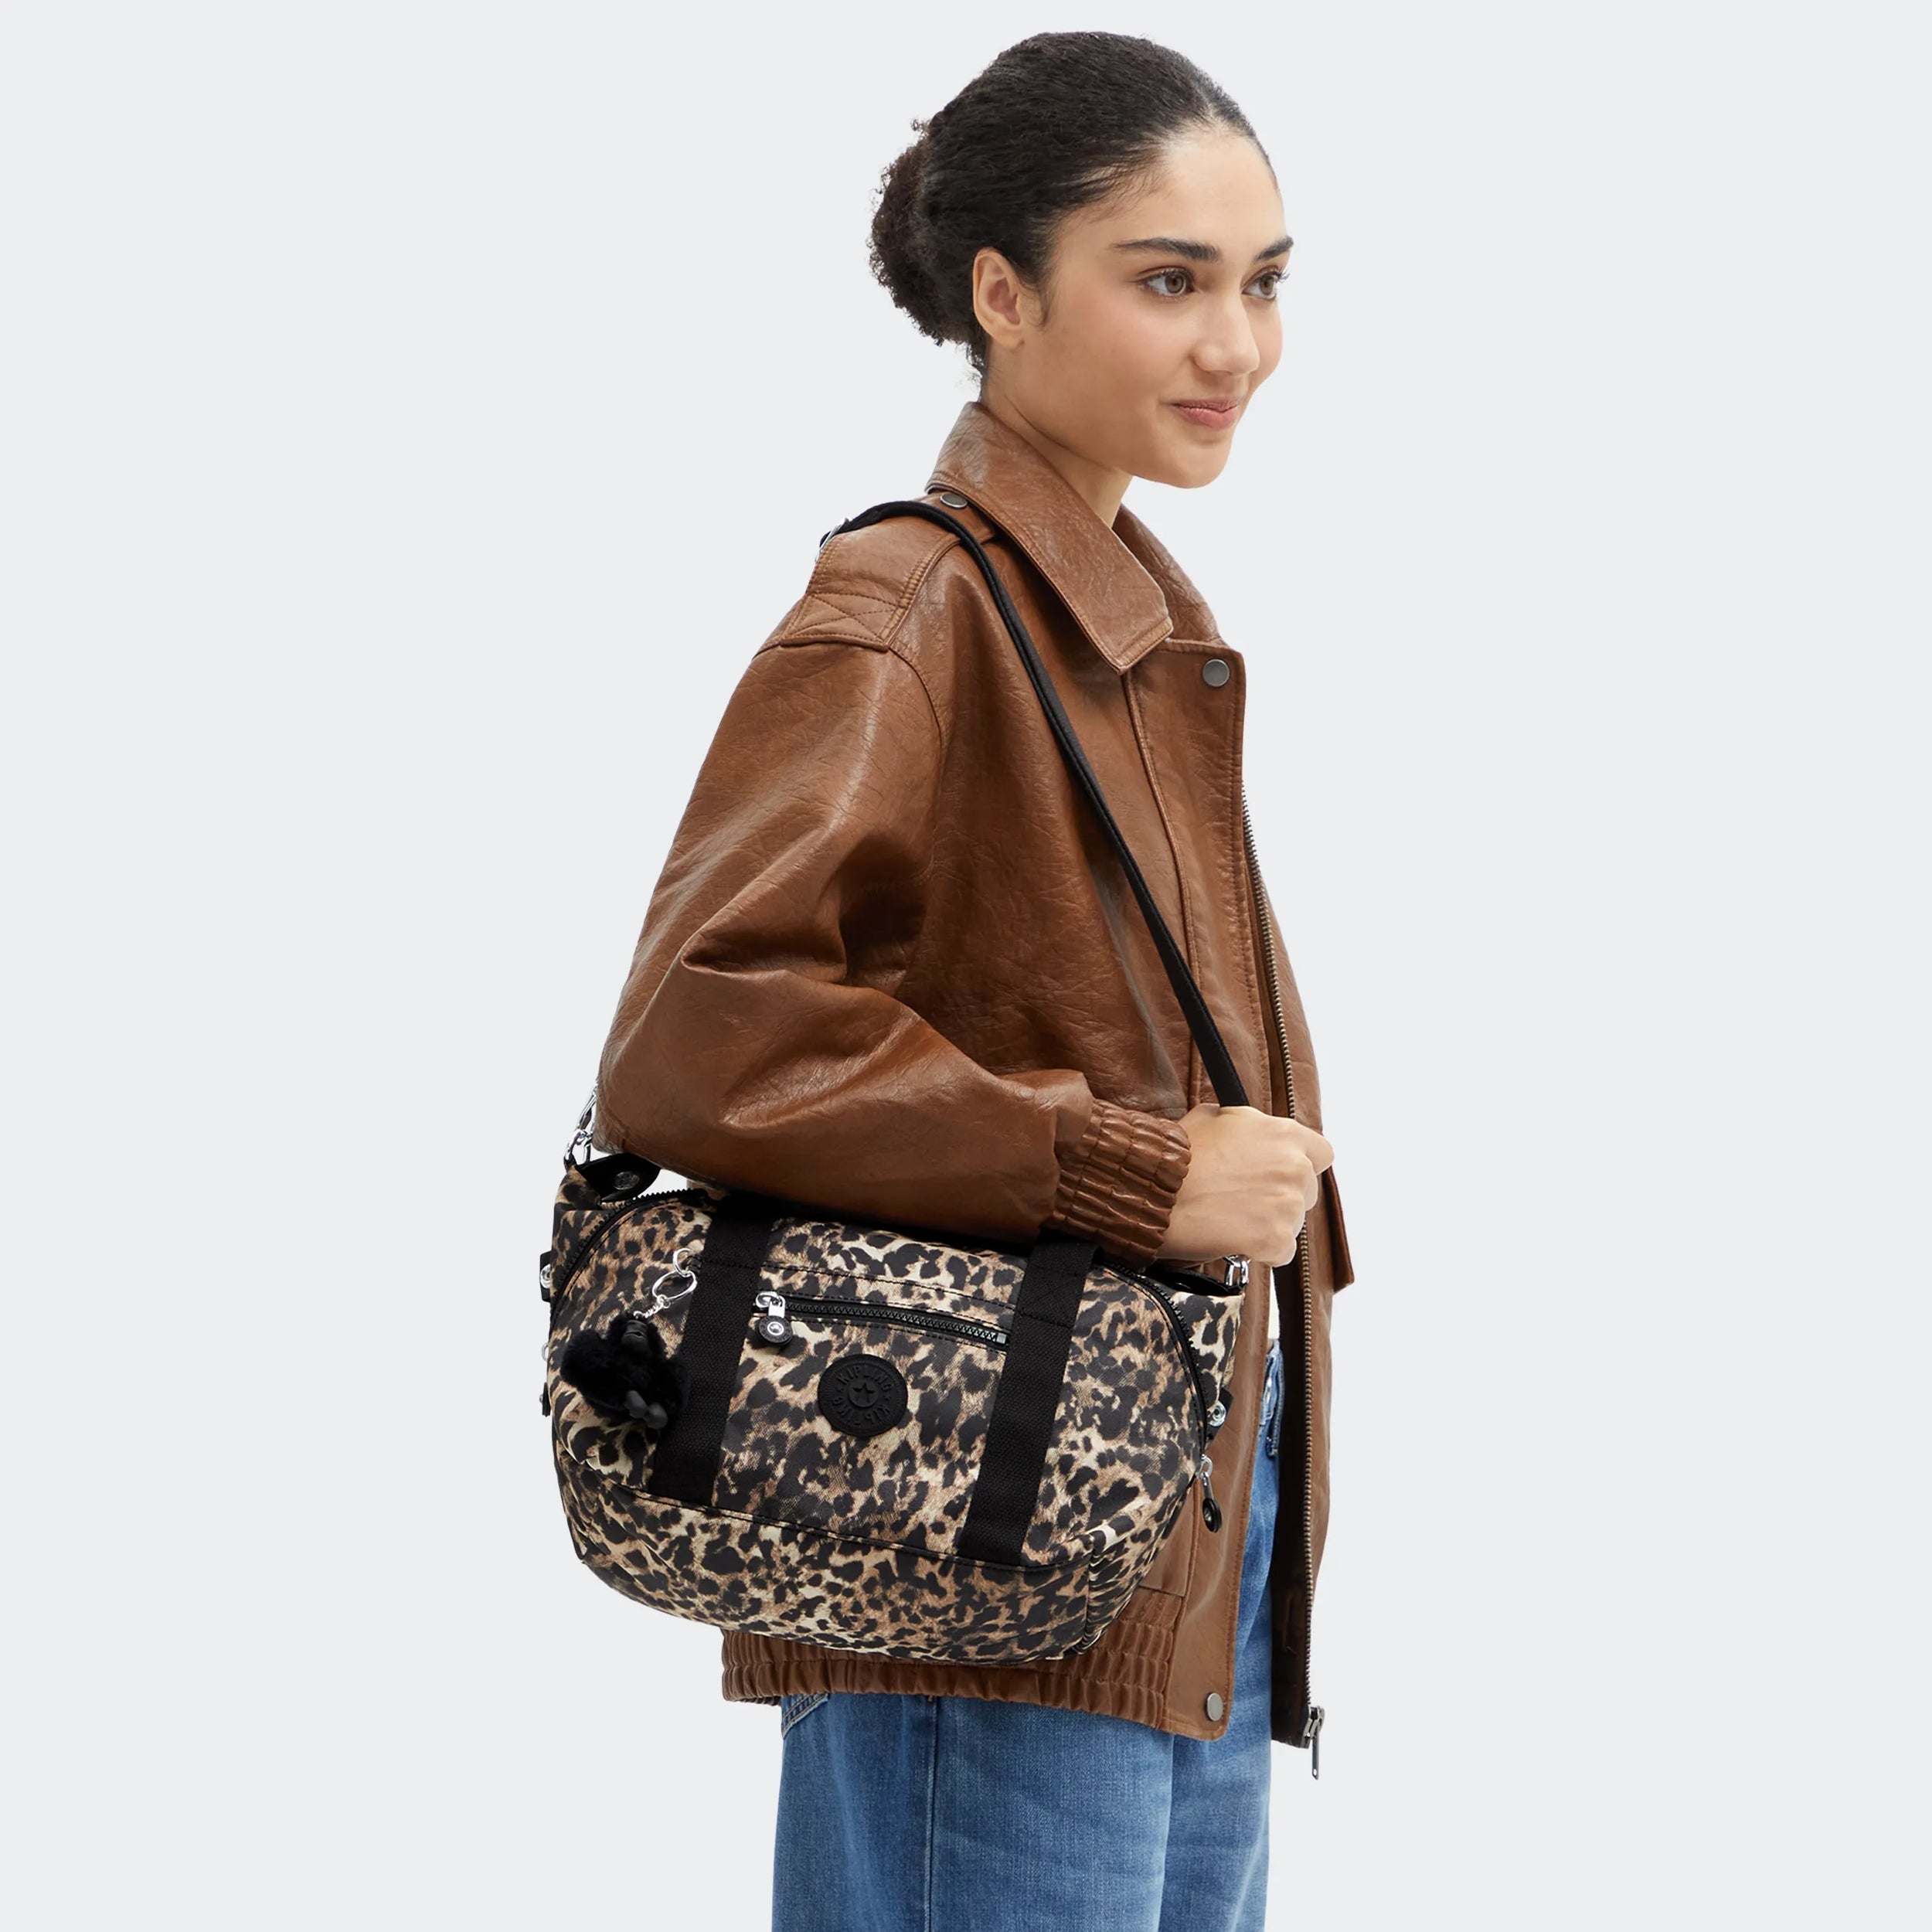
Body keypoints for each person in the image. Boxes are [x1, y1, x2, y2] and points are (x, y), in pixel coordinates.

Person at [591, 29, 1355, 1932]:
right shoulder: (914, 608)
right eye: (1167, 281)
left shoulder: (1123, 621)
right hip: (984, 1520)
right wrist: (1134, 1169)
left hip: (1168, 1517)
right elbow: (698, 1037)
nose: (1235, 346)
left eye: (1262, 282)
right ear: (1000, 295)